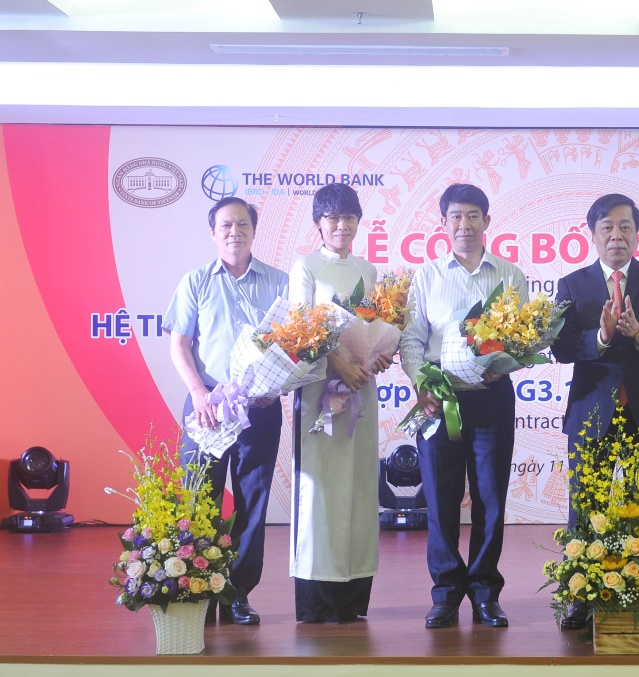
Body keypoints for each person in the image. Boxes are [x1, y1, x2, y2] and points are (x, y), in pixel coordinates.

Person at [551, 193, 639, 630]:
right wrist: (603, 337)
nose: (616, 236)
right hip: (592, 413)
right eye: (607, 227)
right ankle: (579, 596)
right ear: (592, 234)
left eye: (625, 227)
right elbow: (560, 347)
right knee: (585, 506)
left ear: (637, 233)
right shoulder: (572, 284)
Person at [399, 183, 526, 629]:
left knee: (490, 498)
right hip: (439, 400)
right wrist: (421, 384)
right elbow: (412, 341)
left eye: (473, 215)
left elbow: (522, 339)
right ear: (443, 223)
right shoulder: (427, 276)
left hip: (492, 396)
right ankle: (447, 593)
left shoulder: (509, 275)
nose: (464, 224)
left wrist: (504, 364)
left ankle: (486, 592)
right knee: (441, 499)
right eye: (456, 216)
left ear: (487, 221)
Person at [164, 196, 289, 625]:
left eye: (242, 225)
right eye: (226, 226)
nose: (235, 232)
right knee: (201, 499)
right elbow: (179, 345)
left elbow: (293, 346)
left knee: (253, 501)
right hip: (209, 406)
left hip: (260, 408)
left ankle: (237, 594)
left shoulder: (279, 282)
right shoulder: (196, 281)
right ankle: (199, 588)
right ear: (213, 233)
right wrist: (198, 393)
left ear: (254, 230)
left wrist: (277, 387)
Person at [289, 183, 392, 623]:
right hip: (320, 392)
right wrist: (339, 364)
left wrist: (380, 355)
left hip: (361, 389)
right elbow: (301, 330)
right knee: (321, 490)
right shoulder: (306, 267)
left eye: (349, 217)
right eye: (332, 218)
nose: (341, 226)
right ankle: (317, 597)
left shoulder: (368, 270)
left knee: (359, 488)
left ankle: (353, 595)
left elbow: (377, 326)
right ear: (319, 223)